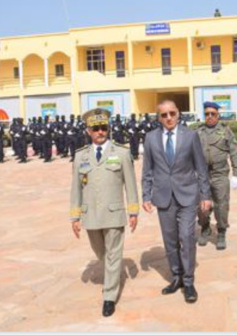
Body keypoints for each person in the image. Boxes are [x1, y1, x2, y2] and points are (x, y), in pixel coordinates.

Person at [70, 108, 139, 317]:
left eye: (103, 128)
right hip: (91, 215)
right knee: (102, 253)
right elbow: (76, 188)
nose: (100, 132)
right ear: (88, 131)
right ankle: (113, 272)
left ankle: (109, 296)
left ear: (108, 129)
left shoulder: (121, 152)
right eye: (95, 128)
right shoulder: (80, 155)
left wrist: (133, 211)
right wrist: (75, 216)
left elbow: (131, 184)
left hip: (114, 212)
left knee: (113, 254)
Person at [141, 100, 211, 304]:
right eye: (164, 115)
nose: (169, 118)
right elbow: (147, 170)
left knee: (187, 237)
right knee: (170, 241)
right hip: (163, 198)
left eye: (172, 113)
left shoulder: (190, 136)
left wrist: (205, 195)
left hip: (188, 195)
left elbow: (201, 168)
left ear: (178, 114)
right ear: (159, 117)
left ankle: (189, 282)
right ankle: (177, 277)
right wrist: (146, 195)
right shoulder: (151, 138)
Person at [196, 101, 237, 250]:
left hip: (220, 173)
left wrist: (236, 173)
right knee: (201, 206)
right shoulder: (198, 132)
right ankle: (205, 227)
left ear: (218, 115)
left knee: (221, 206)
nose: (209, 117)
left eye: (213, 114)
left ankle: (221, 231)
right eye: (207, 114)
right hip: (202, 175)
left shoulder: (225, 131)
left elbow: (234, 152)